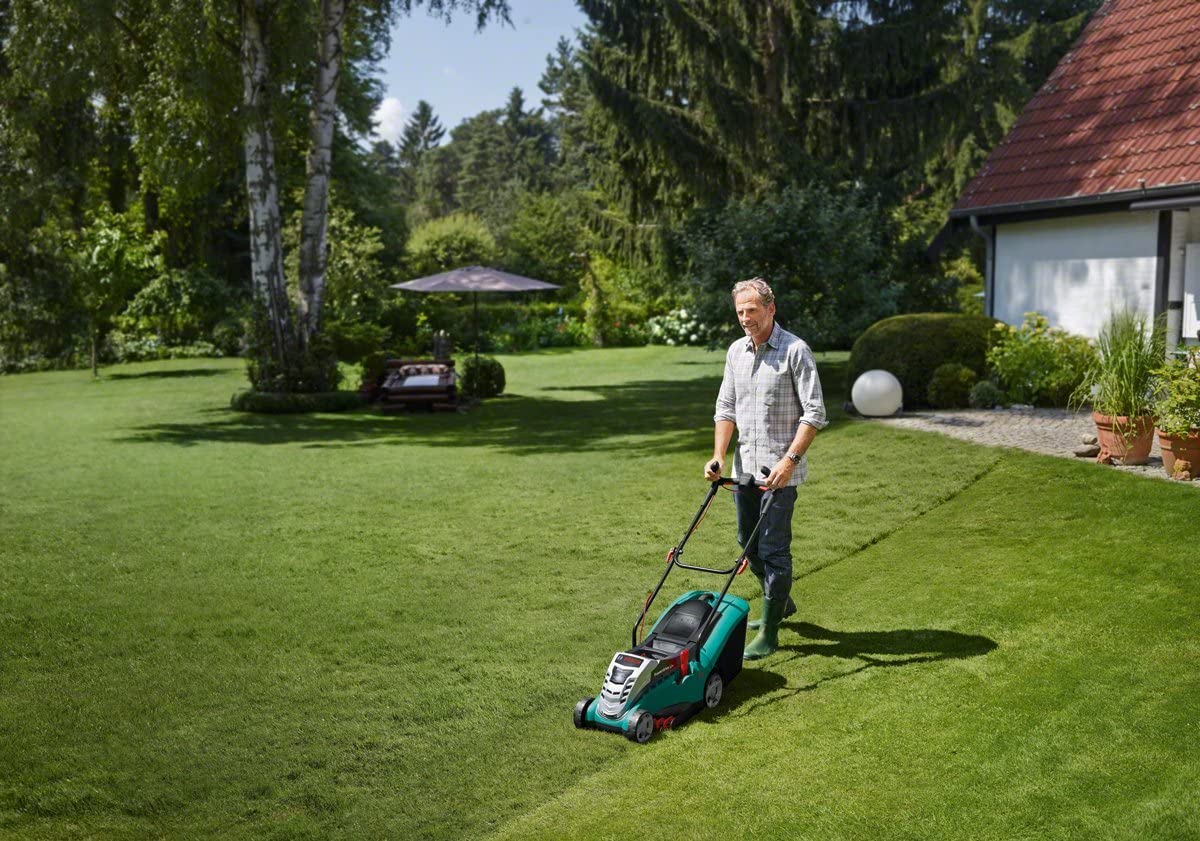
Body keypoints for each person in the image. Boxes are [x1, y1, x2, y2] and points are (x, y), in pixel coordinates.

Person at [704, 278, 827, 660]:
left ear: (771, 309)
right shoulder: (736, 352)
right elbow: (726, 407)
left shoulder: (795, 351)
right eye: (740, 312)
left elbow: (815, 413)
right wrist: (719, 456)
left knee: (774, 550)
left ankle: (770, 632)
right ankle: (781, 602)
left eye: (752, 311)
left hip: (778, 473)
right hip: (743, 468)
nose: (745, 318)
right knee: (746, 541)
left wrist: (790, 461)